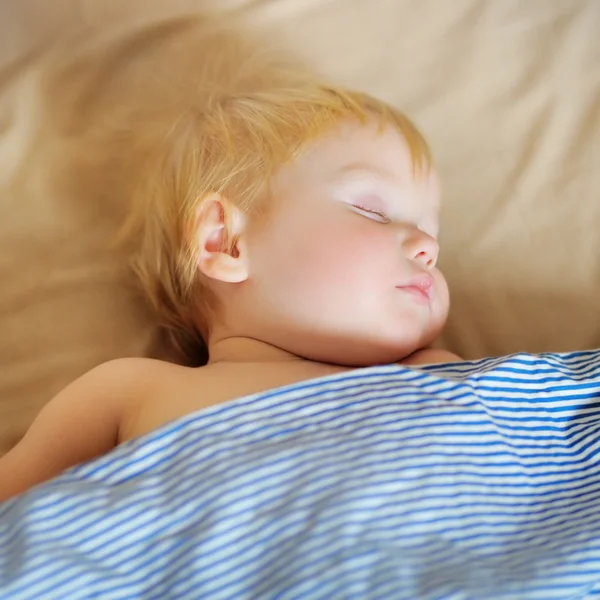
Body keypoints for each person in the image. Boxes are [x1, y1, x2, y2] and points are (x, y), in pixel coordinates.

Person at [0, 31, 461, 502]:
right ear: (226, 241)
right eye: (373, 211)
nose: (427, 246)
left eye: (432, 230)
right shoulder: (130, 392)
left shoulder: (442, 376)